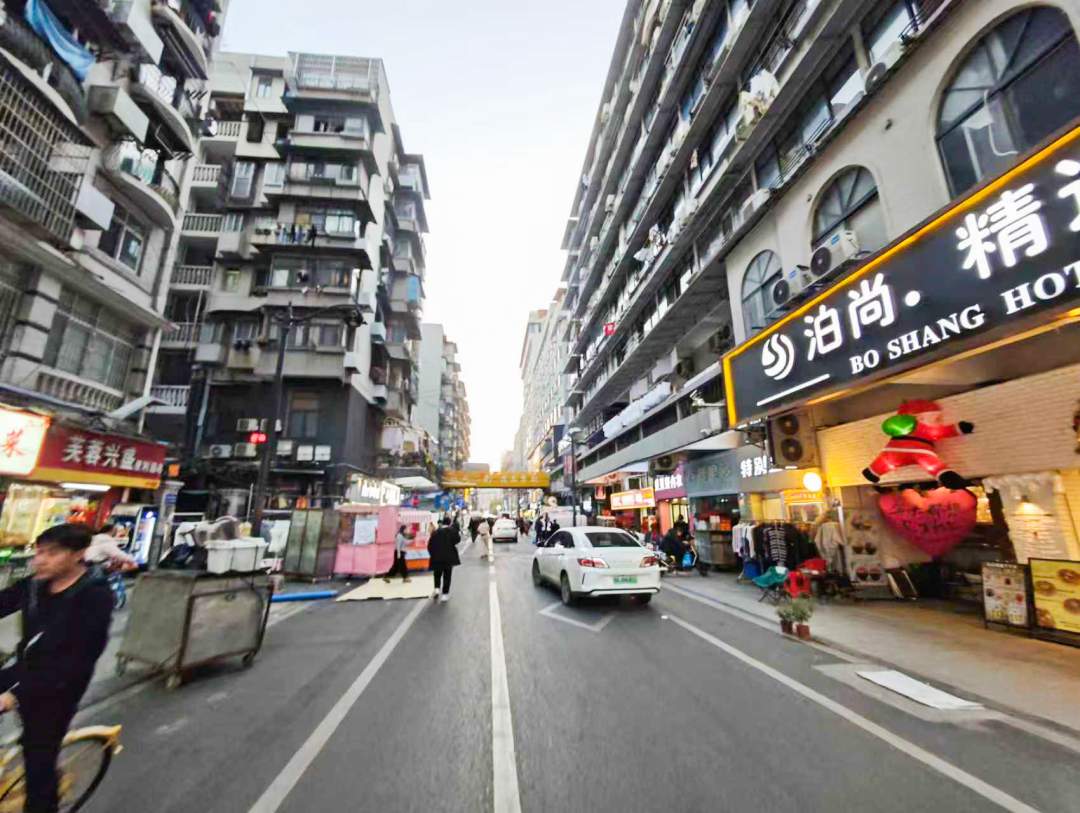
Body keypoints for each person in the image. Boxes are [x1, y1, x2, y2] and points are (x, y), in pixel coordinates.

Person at [0, 524, 112, 813]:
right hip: (26, 668)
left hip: (59, 688)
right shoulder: (35, 584)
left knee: (39, 762)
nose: (40, 560)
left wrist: (15, 696)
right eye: (38, 553)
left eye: (52, 553)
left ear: (78, 554)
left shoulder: (95, 597)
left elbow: (76, 661)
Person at [427, 518, 461, 602]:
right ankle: (445, 594)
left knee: (437, 574)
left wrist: (433, 555)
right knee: (447, 576)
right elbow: (457, 540)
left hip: (437, 557)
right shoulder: (452, 531)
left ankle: (437, 589)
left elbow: (430, 545)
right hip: (449, 558)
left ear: (442, 523)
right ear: (450, 523)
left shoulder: (435, 532)